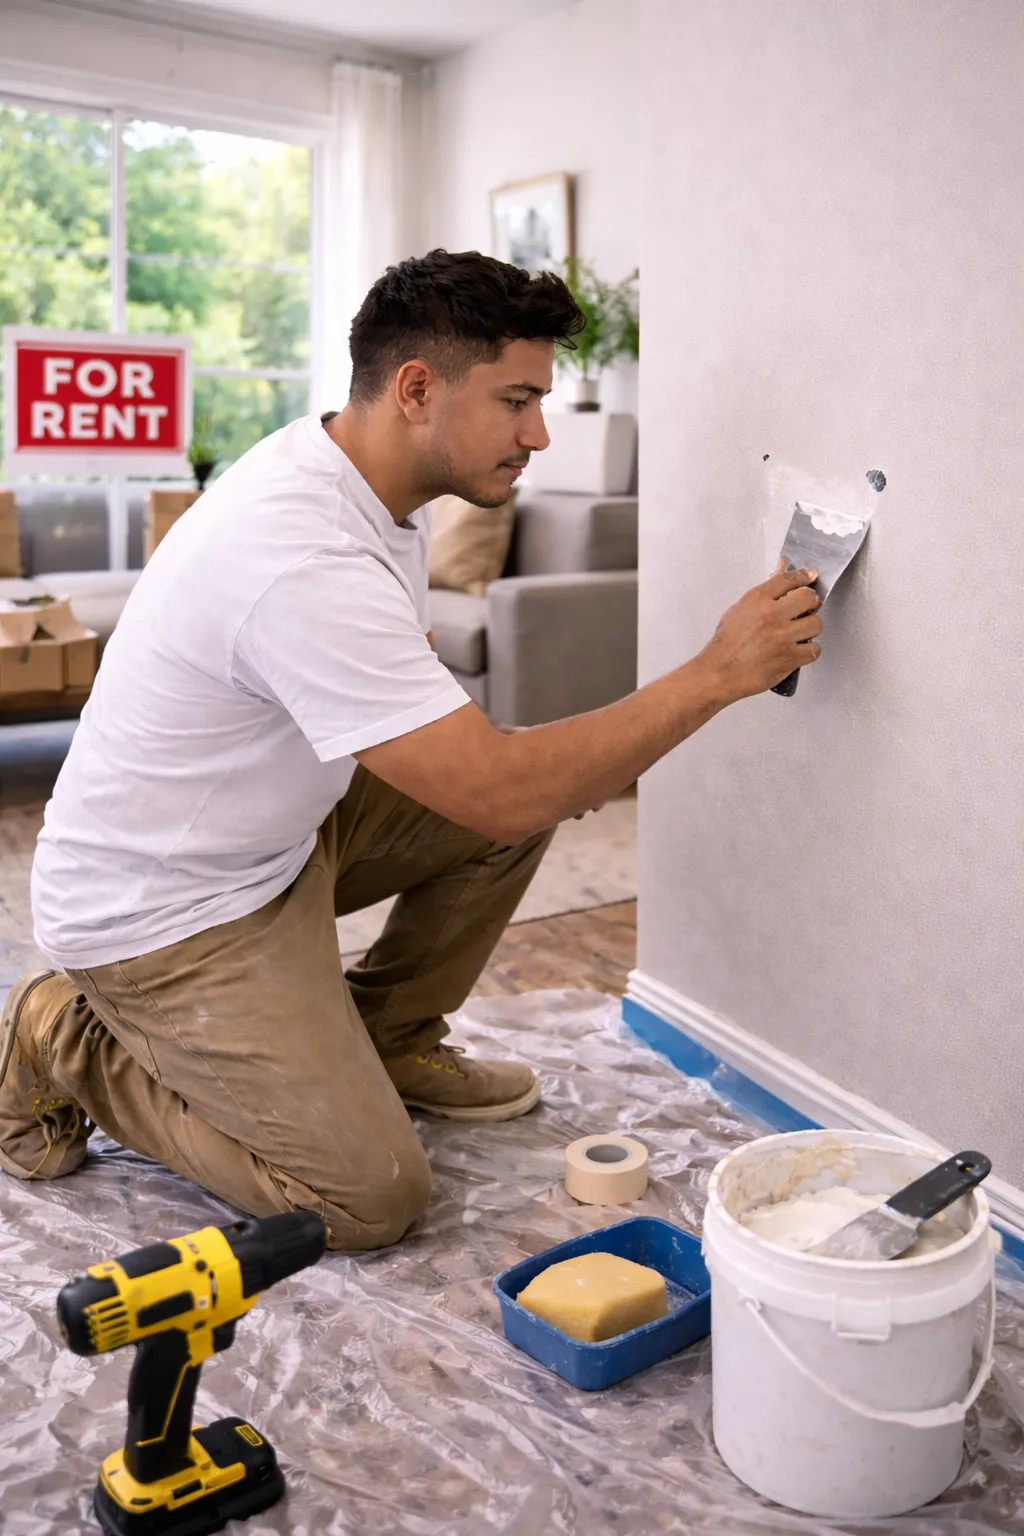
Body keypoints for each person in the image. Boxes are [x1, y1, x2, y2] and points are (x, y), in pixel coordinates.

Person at [0, 250, 823, 1251]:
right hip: (162, 913)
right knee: (367, 1199)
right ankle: (64, 1034)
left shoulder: (359, 484)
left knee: (525, 791)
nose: (539, 433)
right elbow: (490, 788)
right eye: (517, 400)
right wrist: (714, 672)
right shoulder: (300, 548)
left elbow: (475, 774)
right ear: (417, 389)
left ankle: (388, 1039)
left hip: (269, 841)